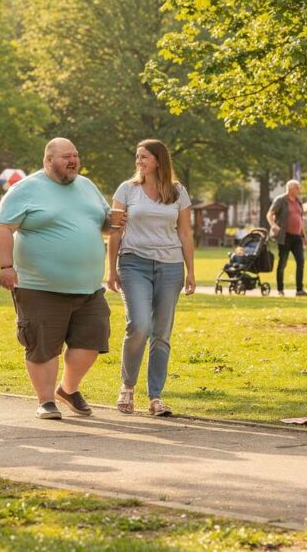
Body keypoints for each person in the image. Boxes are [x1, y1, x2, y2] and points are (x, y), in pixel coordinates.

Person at [0, 138, 119, 420]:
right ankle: (46, 399)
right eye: (66, 156)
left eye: (75, 155)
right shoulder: (25, 189)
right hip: (39, 287)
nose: (73, 161)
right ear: (48, 160)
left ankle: (68, 389)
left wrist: (114, 223)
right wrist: (5, 266)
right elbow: (3, 229)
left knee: (92, 339)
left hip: (88, 288)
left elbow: (103, 223)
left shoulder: (87, 186)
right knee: (43, 346)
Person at [107, 139, 195, 417]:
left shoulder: (178, 192)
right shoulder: (127, 189)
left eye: (144, 157)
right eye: (137, 157)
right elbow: (115, 231)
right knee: (139, 325)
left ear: (159, 160)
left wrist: (191, 270)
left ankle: (155, 396)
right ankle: (127, 387)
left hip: (170, 266)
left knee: (161, 333)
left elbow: (185, 233)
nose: (139, 161)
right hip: (134, 263)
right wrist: (111, 269)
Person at [267, 180, 307, 296]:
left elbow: (300, 220)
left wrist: (304, 236)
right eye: (297, 188)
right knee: (283, 263)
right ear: (291, 189)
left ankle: (299, 290)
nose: (299, 190)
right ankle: (280, 290)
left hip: (297, 237)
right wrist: (273, 225)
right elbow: (270, 214)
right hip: (285, 237)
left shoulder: (298, 201)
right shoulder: (281, 200)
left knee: (301, 261)